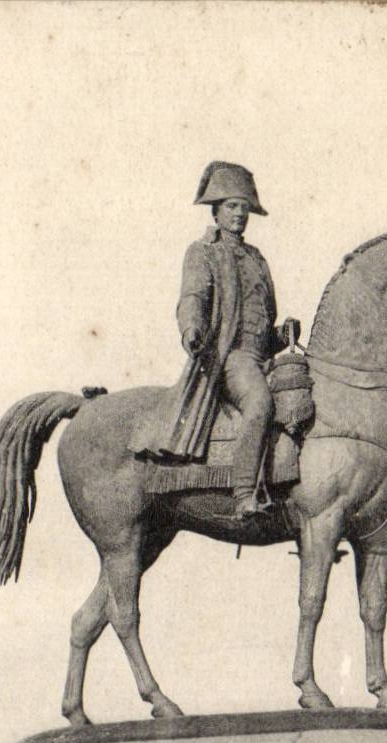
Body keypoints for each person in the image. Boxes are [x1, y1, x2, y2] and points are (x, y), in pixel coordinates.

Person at [135, 162, 299, 520]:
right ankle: (243, 495)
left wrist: (280, 336)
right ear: (217, 211)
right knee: (259, 403)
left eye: (244, 207)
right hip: (230, 359)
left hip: (261, 358)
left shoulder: (257, 259)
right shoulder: (204, 252)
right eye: (231, 206)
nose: (239, 214)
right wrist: (191, 329)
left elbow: (260, 325)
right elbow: (192, 297)